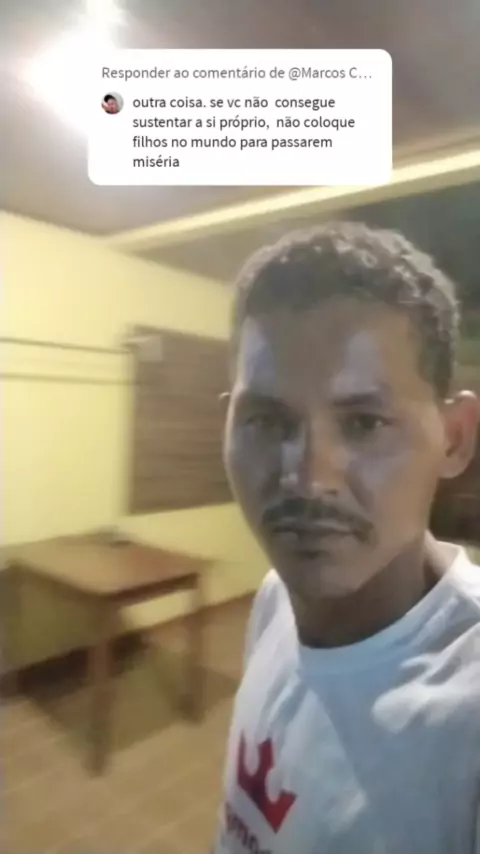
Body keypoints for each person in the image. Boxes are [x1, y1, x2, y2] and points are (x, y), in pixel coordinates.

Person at [214, 222, 480, 854]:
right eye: (266, 420)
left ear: (454, 439)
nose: (308, 478)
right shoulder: (274, 599)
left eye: (364, 422)